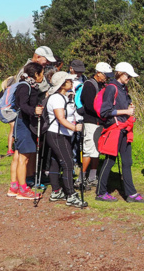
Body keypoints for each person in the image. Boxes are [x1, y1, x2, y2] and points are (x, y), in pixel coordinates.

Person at [95, 63, 144, 203]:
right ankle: (100, 193)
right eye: (128, 75)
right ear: (120, 73)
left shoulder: (123, 88)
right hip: (114, 129)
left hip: (124, 128)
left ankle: (131, 194)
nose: (129, 78)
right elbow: (105, 112)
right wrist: (126, 112)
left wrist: (129, 107)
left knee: (127, 162)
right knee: (110, 161)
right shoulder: (111, 88)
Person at [45, 72, 88, 208]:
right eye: (69, 81)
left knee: (56, 162)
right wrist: (75, 128)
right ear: (62, 84)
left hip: (61, 134)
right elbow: (61, 119)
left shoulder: (63, 96)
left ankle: (56, 191)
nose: (71, 82)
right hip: (57, 135)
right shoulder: (57, 98)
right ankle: (71, 196)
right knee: (68, 164)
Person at [7, 62, 44, 200]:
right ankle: (22, 189)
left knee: (18, 155)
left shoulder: (29, 85)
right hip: (23, 123)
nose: (43, 76)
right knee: (24, 157)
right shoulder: (25, 86)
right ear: (35, 74)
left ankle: (14, 186)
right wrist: (34, 111)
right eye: (42, 73)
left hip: (23, 122)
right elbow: (22, 105)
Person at [77, 62, 114, 191]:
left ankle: (92, 176)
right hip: (91, 121)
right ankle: (81, 178)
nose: (107, 78)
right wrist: (104, 113)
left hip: (99, 122)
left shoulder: (102, 85)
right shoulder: (89, 85)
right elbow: (89, 105)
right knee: (88, 150)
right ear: (98, 73)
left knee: (96, 150)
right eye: (105, 75)